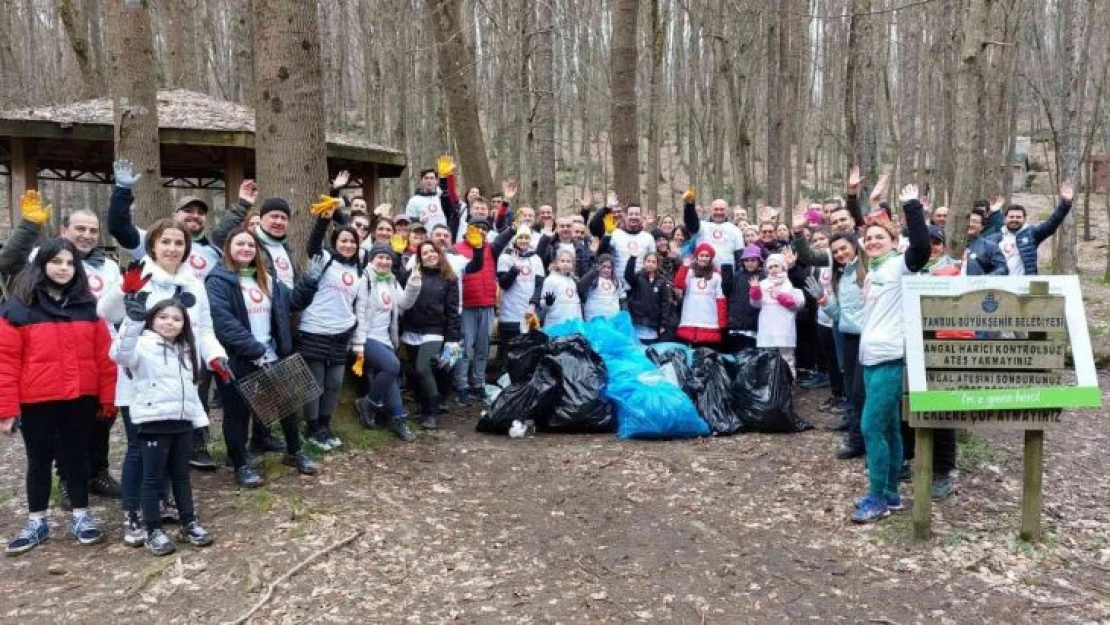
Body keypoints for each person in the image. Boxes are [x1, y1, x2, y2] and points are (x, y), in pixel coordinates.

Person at [99, 219, 229, 545]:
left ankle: (165, 504)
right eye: (166, 242)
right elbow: (105, 310)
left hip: (181, 379)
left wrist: (216, 356)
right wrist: (124, 292)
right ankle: (132, 515)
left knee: (174, 451)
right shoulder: (139, 276)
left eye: (179, 243)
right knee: (138, 451)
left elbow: (204, 329)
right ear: (153, 245)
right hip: (140, 378)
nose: (172, 248)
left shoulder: (193, 283)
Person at [1, 193, 124, 503]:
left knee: (100, 421)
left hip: (98, 354)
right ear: (64, 230)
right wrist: (29, 226)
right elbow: (8, 262)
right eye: (80, 229)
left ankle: (97, 471)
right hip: (53, 356)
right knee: (62, 430)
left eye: (93, 231)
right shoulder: (44, 256)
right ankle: (68, 479)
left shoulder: (108, 265)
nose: (86, 236)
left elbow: (116, 310)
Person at [0, 238, 116, 555]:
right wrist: (6, 410)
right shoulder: (18, 308)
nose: (63, 268)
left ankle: (81, 516)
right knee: (38, 461)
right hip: (36, 400)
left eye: (69, 263)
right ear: (42, 265)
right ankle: (36, 521)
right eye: (57, 262)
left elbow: (104, 357)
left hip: (80, 397)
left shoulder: (89, 307)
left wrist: (108, 398)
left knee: (77, 458)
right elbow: (5, 361)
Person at [206, 228, 319, 488]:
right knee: (237, 414)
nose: (246, 249)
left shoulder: (266, 278)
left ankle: (294, 452)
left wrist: (311, 281)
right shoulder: (218, 280)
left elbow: (292, 302)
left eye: (250, 245)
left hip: (272, 354)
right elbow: (223, 322)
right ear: (228, 248)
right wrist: (254, 350)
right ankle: (240, 464)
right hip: (237, 359)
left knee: (288, 406)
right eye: (240, 244)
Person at [110, 297, 214, 556]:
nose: (170, 323)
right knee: (152, 477)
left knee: (181, 475)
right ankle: (153, 528)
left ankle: (189, 522)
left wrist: (198, 419)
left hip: (181, 422)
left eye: (177, 319)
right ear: (152, 319)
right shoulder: (142, 345)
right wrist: (132, 322)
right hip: (153, 422)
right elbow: (119, 354)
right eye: (163, 317)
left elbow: (190, 390)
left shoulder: (186, 349)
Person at [850, 184, 929, 524]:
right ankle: (892, 494)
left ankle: (877, 497)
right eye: (869, 239)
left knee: (870, 428)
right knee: (890, 430)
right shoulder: (876, 270)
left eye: (880, 237)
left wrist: (911, 207)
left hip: (891, 357)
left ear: (895, 242)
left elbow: (922, 249)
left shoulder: (900, 266)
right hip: (871, 358)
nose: (872, 242)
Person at [297, 202, 362, 451]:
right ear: (335, 242)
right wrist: (326, 216)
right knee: (316, 382)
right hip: (315, 329)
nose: (348, 245)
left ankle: (325, 424)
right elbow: (313, 243)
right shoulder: (323, 258)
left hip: (341, 333)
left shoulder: (358, 267)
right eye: (343, 240)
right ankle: (312, 427)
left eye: (352, 242)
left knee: (335, 382)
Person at [352, 245, 419, 442]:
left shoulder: (390, 280)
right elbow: (359, 313)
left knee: (390, 374)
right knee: (392, 365)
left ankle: (399, 419)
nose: (384, 262)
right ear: (371, 259)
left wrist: (414, 283)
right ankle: (369, 403)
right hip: (365, 338)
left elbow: (404, 304)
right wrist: (358, 344)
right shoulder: (364, 280)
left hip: (385, 339)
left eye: (388, 258)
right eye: (380, 257)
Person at [400, 242, 461, 430]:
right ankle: (422, 405)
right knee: (413, 370)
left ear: (439, 253)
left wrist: (452, 339)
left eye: (432, 251)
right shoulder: (412, 275)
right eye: (424, 253)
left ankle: (432, 412)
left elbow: (452, 311)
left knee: (422, 367)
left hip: (434, 331)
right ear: (419, 257)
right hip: (411, 329)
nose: (429, 255)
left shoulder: (449, 278)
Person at [985, 181, 1074, 276]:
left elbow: (1051, 223)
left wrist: (1065, 204)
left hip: (1024, 286)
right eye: (1011, 217)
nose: (1014, 219)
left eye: (1018, 217)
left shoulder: (1032, 234)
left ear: (1024, 219)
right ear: (1005, 219)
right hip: (999, 286)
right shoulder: (993, 238)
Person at [748, 254, 804, 376]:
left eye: (776, 266)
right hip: (767, 328)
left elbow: (799, 304)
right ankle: (770, 387)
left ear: (783, 266)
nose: (773, 269)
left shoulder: (790, 282)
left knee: (787, 359)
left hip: (784, 328)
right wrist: (755, 293)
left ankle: (788, 387)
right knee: (767, 359)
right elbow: (756, 305)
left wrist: (783, 298)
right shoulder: (762, 284)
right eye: (770, 267)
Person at [497, 228, 545, 346]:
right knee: (507, 352)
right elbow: (504, 284)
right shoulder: (505, 257)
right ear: (515, 239)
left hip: (529, 313)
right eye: (520, 237)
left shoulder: (536, 259)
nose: (523, 240)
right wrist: (514, 269)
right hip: (510, 314)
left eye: (526, 237)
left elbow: (539, 285)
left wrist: (533, 305)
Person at [589, 203, 655, 289]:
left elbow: (653, 263)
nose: (634, 217)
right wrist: (607, 235)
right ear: (625, 216)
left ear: (641, 216)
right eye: (631, 214)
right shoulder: (615, 234)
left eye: (637, 214)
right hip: (618, 286)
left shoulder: (648, 238)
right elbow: (602, 255)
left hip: (640, 286)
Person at [673, 243, 727, 348]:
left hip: (709, 321)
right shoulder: (689, 273)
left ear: (710, 258)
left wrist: (722, 322)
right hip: (690, 319)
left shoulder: (716, 276)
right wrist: (684, 267)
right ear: (697, 257)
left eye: (707, 256)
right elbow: (678, 284)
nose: (704, 258)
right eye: (702, 255)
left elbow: (721, 300)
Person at [683, 191, 744, 274]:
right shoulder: (701, 226)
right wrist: (690, 205)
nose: (719, 212)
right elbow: (690, 221)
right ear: (710, 210)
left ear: (728, 211)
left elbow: (739, 255)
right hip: (703, 273)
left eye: (722, 209)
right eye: (716, 209)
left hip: (727, 275)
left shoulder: (735, 230)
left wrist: (738, 276)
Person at [625, 251, 674, 344]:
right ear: (644, 262)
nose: (650, 264)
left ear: (657, 265)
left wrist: (663, 324)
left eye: (653, 262)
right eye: (648, 261)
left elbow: (665, 304)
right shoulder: (637, 278)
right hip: (637, 321)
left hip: (653, 324)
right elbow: (628, 275)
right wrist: (632, 258)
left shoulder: (661, 281)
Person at [724, 245, 764, 352]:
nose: (750, 263)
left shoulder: (763, 276)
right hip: (737, 324)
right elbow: (728, 294)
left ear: (759, 261)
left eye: (753, 260)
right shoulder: (737, 276)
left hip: (755, 324)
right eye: (747, 260)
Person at [533, 249, 584, 328]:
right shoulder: (551, 279)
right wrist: (547, 302)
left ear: (573, 264)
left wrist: (580, 322)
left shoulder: (573, 281)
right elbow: (542, 303)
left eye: (568, 261)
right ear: (557, 263)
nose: (565, 264)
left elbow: (576, 304)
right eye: (562, 261)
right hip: (556, 323)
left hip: (573, 323)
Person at [579, 254, 625, 321]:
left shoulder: (617, 282)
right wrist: (594, 272)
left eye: (609, 267)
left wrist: (624, 311)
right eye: (603, 267)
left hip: (612, 320)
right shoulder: (592, 280)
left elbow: (622, 298)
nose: (606, 270)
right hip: (594, 319)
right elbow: (581, 286)